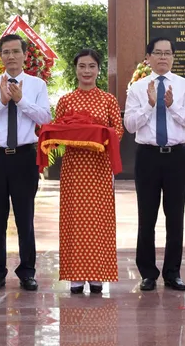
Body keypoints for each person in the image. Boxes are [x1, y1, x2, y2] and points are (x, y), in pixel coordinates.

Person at [0, 34, 52, 292]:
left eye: (15, 51)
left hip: (24, 157)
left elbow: (45, 117)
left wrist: (20, 100)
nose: (11, 56)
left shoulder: (36, 85)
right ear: (0, 56)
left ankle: (27, 271)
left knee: (25, 217)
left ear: (25, 54)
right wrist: (2, 101)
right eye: (5, 52)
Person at [124, 37, 185, 292]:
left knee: (175, 216)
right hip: (147, 156)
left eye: (167, 53)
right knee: (147, 216)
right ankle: (147, 273)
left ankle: (172, 273)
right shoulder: (137, 88)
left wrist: (171, 105)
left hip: (176, 155)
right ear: (148, 58)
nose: (163, 57)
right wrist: (150, 104)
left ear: (173, 58)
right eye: (157, 53)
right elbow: (130, 125)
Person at [53, 49, 124, 294]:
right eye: (82, 66)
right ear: (75, 69)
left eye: (91, 66)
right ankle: (75, 275)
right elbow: (57, 130)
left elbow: (119, 131)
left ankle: (97, 275)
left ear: (98, 69)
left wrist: (98, 138)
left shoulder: (108, 100)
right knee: (74, 219)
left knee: (98, 219)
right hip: (74, 167)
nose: (86, 71)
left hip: (99, 167)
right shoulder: (65, 101)